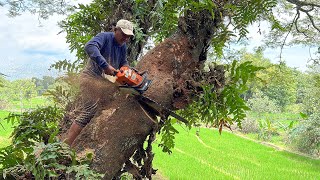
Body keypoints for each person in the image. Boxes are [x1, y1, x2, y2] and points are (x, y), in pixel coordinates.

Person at [65, 19, 134, 146]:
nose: (125, 38)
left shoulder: (123, 46)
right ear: (115, 30)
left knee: (109, 107)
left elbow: (123, 61)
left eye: (128, 36)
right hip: (90, 79)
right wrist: (105, 65)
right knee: (89, 112)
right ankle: (65, 146)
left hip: (105, 82)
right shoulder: (104, 37)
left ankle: (87, 143)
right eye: (123, 34)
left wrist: (126, 71)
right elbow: (89, 46)